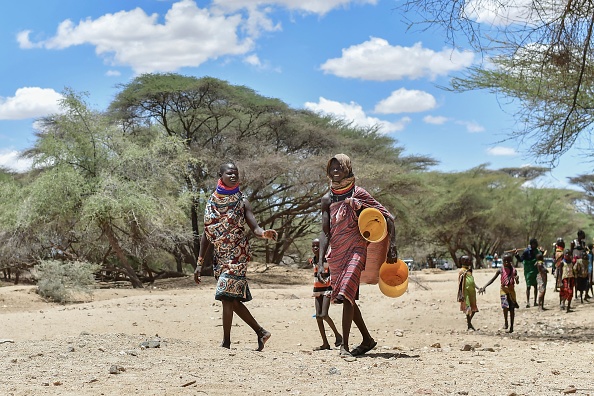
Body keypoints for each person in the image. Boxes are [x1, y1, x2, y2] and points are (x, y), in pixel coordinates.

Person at [319, 154, 397, 358]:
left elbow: (387, 216)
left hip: (356, 250)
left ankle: (344, 346)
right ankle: (367, 339)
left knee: (345, 295)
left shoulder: (359, 193)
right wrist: (320, 261)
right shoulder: (327, 199)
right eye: (332, 167)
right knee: (349, 297)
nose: (335, 170)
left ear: (348, 168)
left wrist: (392, 246)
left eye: (339, 167)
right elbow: (325, 232)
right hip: (336, 253)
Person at [194, 162, 277, 351]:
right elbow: (207, 234)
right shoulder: (211, 202)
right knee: (230, 299)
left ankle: (226, 342)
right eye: (229, 173)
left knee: (225, 294)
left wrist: (264, 233)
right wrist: (199, 263)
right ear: (221, 175)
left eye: (236, 173)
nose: (233, 176)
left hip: (238, 254)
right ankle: (261, 332)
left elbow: (254, 228)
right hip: (220, 256)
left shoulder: (242, 201)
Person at [309, 238, 343, 351]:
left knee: (324, 314)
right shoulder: (313, 260)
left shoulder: (328, 259)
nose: (315, 248)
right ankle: (325, 343)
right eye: (313, 246)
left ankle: (338, 336)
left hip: (327, 289)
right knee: (318, 316)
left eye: (317, 246)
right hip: (317, 289)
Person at [479, 253, 519, 332]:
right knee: (504, 306)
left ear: (511, 261)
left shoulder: (514, 270)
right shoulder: (500, 270)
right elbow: (492, 279)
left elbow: (516, 282)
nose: (506, 262)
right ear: (502, 261)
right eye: (505, 261)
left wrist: (517, 279)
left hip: (511, 290)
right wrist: (484, 287)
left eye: (508, 261)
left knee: (511, 308)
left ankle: (511, 327)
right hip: (503, 289)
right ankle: (506, 322)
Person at [514, 238, 543, 308]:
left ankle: (535, 301)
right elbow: (521, 260)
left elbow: (540, 258)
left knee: (536, 286)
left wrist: (542, 252)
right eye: (534, 244)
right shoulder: (526, 251)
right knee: (528, 286)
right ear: (531, 244)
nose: (535, 245)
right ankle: (528, 302)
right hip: (528, 271)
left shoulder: (537, 251)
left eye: (536, 244)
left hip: (535, 270)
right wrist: (517, 255)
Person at [457, 256, 480, 331]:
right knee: (468, 307)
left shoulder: (469, 270)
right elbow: (460, 283)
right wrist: (461, 293)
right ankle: (469, 325)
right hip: (465, 291)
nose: (469, 261)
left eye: (469, 260)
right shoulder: (461, 271)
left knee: (474, 309)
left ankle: (469, 322)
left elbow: (472, 281)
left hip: (472, 291)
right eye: (467, 260)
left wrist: (478, 288)